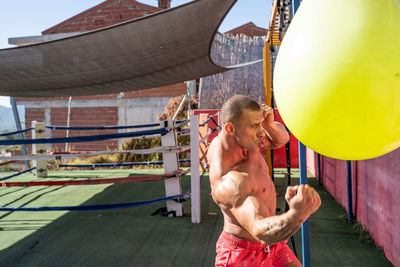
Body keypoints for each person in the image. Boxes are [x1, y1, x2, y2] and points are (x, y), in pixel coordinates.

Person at [207, 95, 321, 267]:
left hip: (275, 247)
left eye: (260, 125)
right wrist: (296, 214)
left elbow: (281, 139)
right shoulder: (230, 181)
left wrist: (267, 124)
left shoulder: (245, 141)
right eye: (254, 126)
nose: (261, 133)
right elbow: (261, 231)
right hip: (243, 256)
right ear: (230, 128)